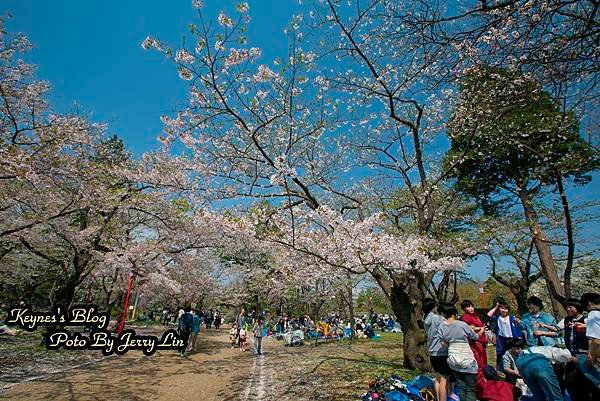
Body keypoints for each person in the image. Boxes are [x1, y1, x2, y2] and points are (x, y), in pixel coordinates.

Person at [438, 302, 479, 401]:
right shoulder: (461, 324)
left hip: (453, 358)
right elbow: (475, 336)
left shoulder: (441, 327)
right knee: (470, 388)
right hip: (466, 357)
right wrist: (479, 331)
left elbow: (443, 343)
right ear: (454, 313)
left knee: (461, 386)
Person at [423, 299, 451, 401]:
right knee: (444, 379)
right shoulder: (438, 318)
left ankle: (439, 399)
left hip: (432, 351)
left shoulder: (426, 319)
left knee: (438, 378)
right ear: (433, 307)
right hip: (441, 351)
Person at [487, 300, 522, 370]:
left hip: (511, 339)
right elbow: (489, 314)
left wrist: (518, 336)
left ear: (508, 310)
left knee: (513, 354)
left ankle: (514, 368)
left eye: (505, 309)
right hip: (501, 339)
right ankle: (501, 368)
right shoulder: (497, 317)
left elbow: (518, 327)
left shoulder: (512, 317)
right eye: (501, 308)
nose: (503, 310)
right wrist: (496, 307)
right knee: (500, 354)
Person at [579, 292, 600, 394]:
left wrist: (591, 355)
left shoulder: (593, 314)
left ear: (590, 303)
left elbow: (596, 339)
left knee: (585, 367)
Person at [460, 299, 488, 368]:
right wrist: (480, 328)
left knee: (483, 360)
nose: (471, 308)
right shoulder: (466, 317)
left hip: (481, 340)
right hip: (475, 341)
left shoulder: (475, 316)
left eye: (472, 306)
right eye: (468, 307)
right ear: (464, 309)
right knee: (479, 361)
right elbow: (469, 328)